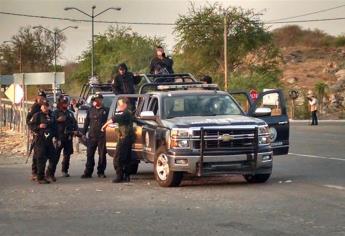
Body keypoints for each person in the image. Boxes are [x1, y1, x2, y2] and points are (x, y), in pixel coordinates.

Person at [102, 97, 134, 183]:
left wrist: (104, 126)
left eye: (120, 105)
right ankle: (126, 176)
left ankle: (119, 176)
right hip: (128, 138)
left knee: (117, 158)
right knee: (126, 158)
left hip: (124, 138)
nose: (119, 107)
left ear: (125, 105)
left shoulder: (125, 113)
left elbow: (114, 119)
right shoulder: (129, 113)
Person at [29, 101, 57, 184]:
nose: (45, 108)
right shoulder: (37, 115)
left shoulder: (52, 115)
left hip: (49, 140)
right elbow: (31, 125)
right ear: (41, 107)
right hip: (40, 140)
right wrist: (38, 126)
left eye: (46, 106)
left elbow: (55, 128)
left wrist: (57, 138)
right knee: (41, 159)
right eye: (43, 106)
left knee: (53, 157)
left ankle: (49, 174)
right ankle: (40, 177)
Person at [81, 93, 109, 178]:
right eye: (96, 99)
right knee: (89, 154)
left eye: (99, 99)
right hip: (92, 136)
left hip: (102, 136)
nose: (97, 101)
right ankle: (88, 172)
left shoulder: (106, 110)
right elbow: (86, 122)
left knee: (102, 154)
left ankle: (100, 172)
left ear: (101, 100)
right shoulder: (90, 110)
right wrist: (83, 133)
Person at [51, 96, 79, 178]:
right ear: (60, 103)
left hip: (68, 137)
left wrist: (76, 131)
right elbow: (50, 123)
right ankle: (51, 172)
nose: (65, 104)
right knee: (55, 155)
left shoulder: (69, 113)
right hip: (59, 137)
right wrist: (57, 120)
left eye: (66, 102)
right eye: (64, 103)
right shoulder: (55, 113)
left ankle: (64, 170)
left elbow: (74, 123)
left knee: (67, 155)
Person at [26, 90, 47, 181]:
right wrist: (35, 129)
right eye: (40, 98)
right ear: (37, 98)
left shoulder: (44, 107)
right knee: (37, 154)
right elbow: (28, 121)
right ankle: (35, 172)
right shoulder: (35, 107)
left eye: (43, 98)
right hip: (36, 133)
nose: (41, 99)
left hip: (44, 134)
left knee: (41, 154)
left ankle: (39, 172)